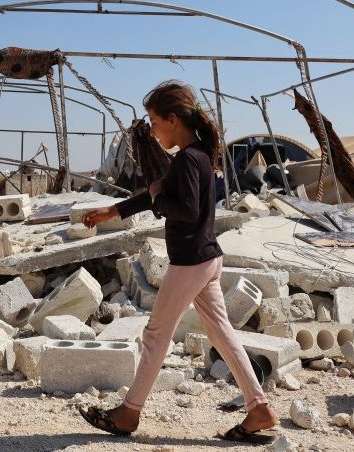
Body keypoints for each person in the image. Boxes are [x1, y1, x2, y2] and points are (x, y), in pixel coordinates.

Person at [77, 80, 278, 444]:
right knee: (221, 333)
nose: (152, 131)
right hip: (206, 258)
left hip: (190, 262)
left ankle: (129, 413)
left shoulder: (187, 158)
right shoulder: (197, 154)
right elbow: (161, 192)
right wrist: (113, 210)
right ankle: (259, 408)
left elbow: (181, 208)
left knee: (155, 335)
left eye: (154, 122)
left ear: (172, 119)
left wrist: (156, 199)